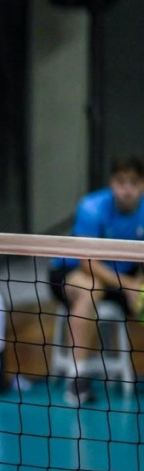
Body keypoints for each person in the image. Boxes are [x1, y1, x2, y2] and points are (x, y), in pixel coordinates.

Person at [49, 156, 144, 405]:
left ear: (142, 185)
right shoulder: (92, 207)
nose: (127, 189)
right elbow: (87, 263)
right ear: (112, 183)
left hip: (124, 276)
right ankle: (77, 377)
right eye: (121, 182)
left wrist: (139, 284)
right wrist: (129, 285)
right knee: (91, 289)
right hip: (72, 273)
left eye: (134, 182)